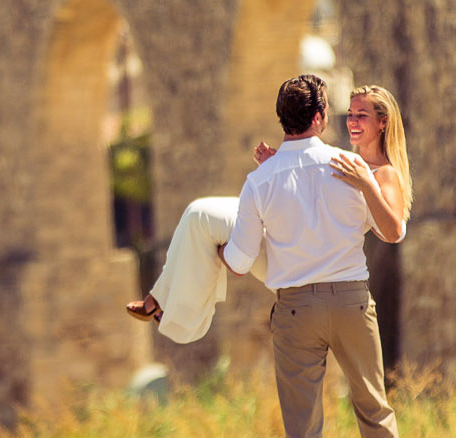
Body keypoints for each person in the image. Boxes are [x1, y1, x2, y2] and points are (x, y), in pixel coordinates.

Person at [219, 74, 419, 438]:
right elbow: (390, 229)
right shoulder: (351, 166)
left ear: (282, 119)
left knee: (304, 431)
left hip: (295, 310)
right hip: (351, 301)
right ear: (319, 117)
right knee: (374, 409)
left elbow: (241, 262)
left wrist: (222, 251)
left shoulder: (259, 180)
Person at [125, 84, 412, 343]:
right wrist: (280, 165)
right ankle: (160, 299)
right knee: (198, 214)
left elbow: (394, 231)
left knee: (205, 222)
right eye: (350, 113)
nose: (352, 121)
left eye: (362, 115)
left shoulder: (383, 173)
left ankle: (178, 312)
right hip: (293, 245)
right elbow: (309, 200)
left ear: (382, 122)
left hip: (299, 262)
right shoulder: (346, 160)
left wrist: (366, 183)